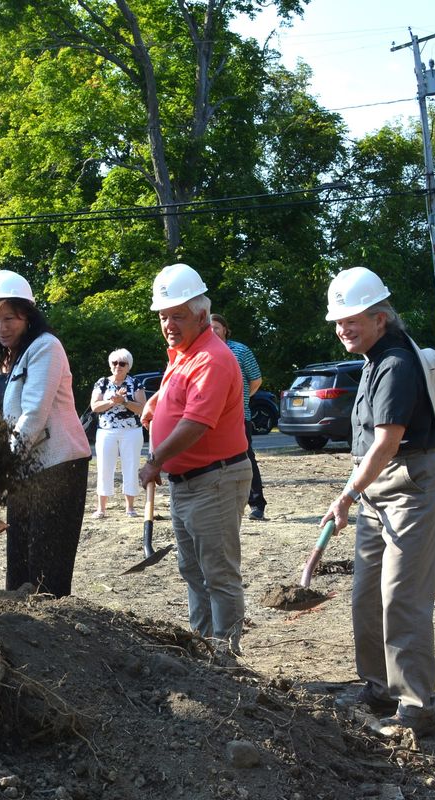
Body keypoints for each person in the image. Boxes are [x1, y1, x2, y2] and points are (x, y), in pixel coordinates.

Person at [319, 267, 435, 738]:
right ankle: (378, 687)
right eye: (338, 321)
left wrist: (347, 494)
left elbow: (387, 443)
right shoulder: (373, 358)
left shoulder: (394, 362)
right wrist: (359, 492)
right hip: (377, 489)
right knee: (366, 596)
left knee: (401, 599)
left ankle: (415, 707)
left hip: (410, 487)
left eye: (353, 319)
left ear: (380, 318)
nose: (343, 328)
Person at [138, 263, 249, 654]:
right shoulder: (183, 353)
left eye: (178, 315)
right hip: (187, 482)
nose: (169, 323)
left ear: (201, 315)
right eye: (164, 316)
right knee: (193, 571)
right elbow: (180, 397)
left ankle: (224, 656)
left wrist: (155, 459)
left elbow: (197, 423)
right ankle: (202, 648)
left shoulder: (212, 358)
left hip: (214, 479)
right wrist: (156, 400)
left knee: (217, 573)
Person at [0, 270, 91, 595]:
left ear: (27, 314)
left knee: (46, 576)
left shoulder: (46, 348)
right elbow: (0, 418)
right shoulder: (4, 360)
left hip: (57, 470)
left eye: (9, 318)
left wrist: (0, 471)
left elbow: (33, 416)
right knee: (19, 568)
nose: (1, 327)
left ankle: (54, 643)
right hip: (23, 472)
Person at [210, 314, 268, 520]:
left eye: (216, 327)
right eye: (208, 327)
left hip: (239, 416)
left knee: (245, 458)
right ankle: (221, 502)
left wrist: (241, 398)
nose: (212, 331)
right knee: (214, 462)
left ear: (225, 329)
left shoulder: (241, 350)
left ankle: (257, 504)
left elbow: (256, 380)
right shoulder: (202, 352)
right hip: (210, 418)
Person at [89, 349, 146, 519]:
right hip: (106, 431)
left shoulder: (135, 383)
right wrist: (111, 401)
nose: (118, 366)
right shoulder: (102, 383)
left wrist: (124, 401)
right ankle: (101, 508)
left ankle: (130, 507)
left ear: (128, 366)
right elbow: (95, 407)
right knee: (104, 468)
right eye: (114, 363)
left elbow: (142, 408)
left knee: (131, 466)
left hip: (131, 431)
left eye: (122, 363)